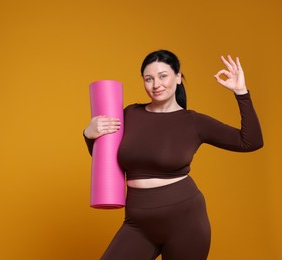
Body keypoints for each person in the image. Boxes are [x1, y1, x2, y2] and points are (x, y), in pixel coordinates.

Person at [83, 50, 263, 260]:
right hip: (138, 223)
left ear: (178, 77)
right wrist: (89, 134)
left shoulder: (193, 122)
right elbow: (105, 162)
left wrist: (241, 92)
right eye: (148, 79)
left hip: (185, 222)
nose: (156, 84)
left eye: (163, 76)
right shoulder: (129, 114)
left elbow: (250, 142)